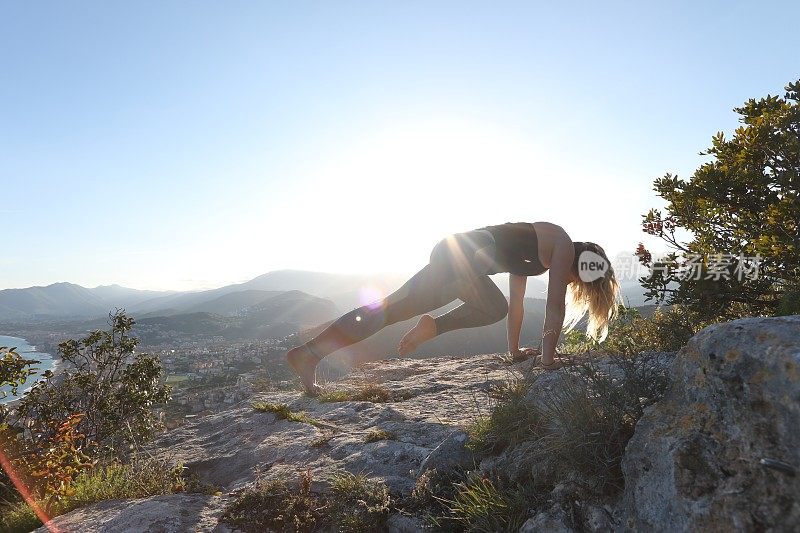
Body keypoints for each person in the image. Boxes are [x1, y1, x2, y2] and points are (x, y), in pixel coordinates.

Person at [287, 221, 621, 395]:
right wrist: (547, 361)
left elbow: (517, 305)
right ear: (584, 261)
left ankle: (309, 355)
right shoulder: (562, 244)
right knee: (392, 310)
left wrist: (515, 350)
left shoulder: (540, 254)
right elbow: (553, 307)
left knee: (393, 311)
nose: (575, 282)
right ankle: (311, 353)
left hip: (459, 258)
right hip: (461, 256)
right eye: (584, 277)